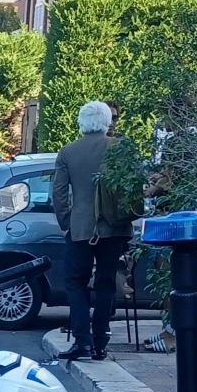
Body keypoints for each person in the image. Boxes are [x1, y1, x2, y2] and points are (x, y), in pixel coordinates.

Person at [51, 100, 128, 361]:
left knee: (75, 282)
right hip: (114, 227)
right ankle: (101, 342)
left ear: (82, 122)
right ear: (107, 122)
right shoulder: (121, 148)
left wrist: (66, 222)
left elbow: (59, 193)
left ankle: (81, 340)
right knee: (106, 283)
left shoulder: (68, 152)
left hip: (80, 227)